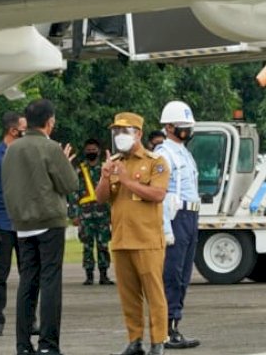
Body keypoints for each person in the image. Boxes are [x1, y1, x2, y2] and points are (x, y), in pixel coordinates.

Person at [2, 99, 78, 355]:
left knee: (27, 282)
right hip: (48, 221)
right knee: (50, 282)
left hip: (22, 224)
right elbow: (69, 184)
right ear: (50, 121)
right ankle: (48, 344)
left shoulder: (11, 149)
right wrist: (64, 162)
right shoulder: (50, 147)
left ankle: (23, 345)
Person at [96, 112, 170, 355]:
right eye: (116, 132)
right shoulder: (115, 162)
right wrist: (106, 177)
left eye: (124, 131)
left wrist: (127, 181)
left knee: (154, 294)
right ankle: (135, 340)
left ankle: (158, 341)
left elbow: (158, 195)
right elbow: (101, 198)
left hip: (147, 240)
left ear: (138, 134)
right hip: (121, 239)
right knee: (128, 296)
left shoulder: (155, 162)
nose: (119, 136)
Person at [0, 111, 37, 337]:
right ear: (14, 130)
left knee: (29, 274)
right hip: (2, 225)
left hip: (26, 223)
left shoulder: (28, 153)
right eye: (24, 127)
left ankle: (30, 321)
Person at [155, 101, 201, 349]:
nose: (187, 130)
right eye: (183, 126)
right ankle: (166, 328)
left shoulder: (183, 152)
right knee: (172, 274)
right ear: (169, 127)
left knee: (183, 274)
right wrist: (166, 228)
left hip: (190, 217)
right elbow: (162, 194)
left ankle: (174, 325)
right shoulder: (164, 154)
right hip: (176, 217)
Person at [68, 138, 114, 285]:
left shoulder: (105, 169)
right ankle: (88, 275)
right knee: (87, 245)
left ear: (99, 151)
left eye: (94, 150)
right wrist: (74, 214)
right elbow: (73, 193)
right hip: (85, 214)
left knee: (103, 245)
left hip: (103, 214)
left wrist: (114, 214)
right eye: (88, 150)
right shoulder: (80, 170)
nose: (91, 152)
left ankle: (104, 274)